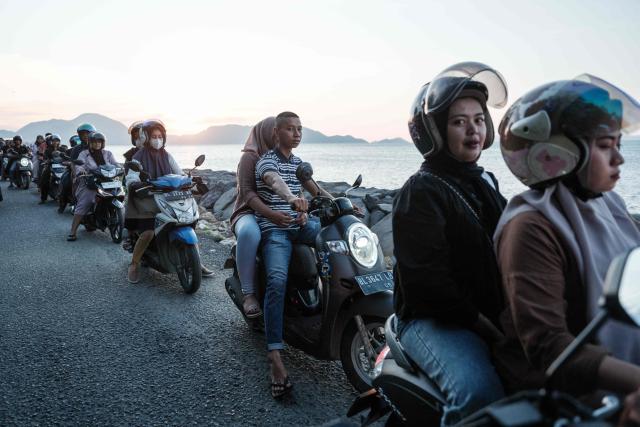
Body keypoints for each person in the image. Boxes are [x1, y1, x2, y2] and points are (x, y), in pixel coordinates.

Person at [493, 75, 640, 397]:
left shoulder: (608, 205)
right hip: (565, 394)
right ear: (555, 154)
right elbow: (548, 345)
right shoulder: (530, 228)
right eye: (604, 146)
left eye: (618, 144)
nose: (619, 158)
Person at [392, 62, 509, 425]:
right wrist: (485, 325)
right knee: (479, 393)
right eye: (459, 122)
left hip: (486, 313)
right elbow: (427, 283)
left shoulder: (484, 180)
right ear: (436, 132)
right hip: (433, 320)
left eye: (478, 119)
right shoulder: (422, 189)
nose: (473, 129)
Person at [254, 111, 327, 398]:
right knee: (276, 280)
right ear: (276, 132)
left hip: (300, 226)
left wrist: (342, 204)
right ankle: (274, 355)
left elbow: (316, 190)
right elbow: (275, 183)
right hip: (276, 230)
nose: (297, 133)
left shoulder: (298, 163)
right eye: (290, 129)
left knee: (333, 239)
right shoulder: (267, 161)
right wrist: (292, 199)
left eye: (300, 129)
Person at [125, 119, 214, 282]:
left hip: (168, 197)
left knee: (186, 221)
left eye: (160, 136)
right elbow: (131, 177)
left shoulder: (167, 155)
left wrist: (190, 179)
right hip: (148, 198)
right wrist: (135, 182)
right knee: (148, 231)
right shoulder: (138, 156)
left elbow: (178, 172)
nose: (157, 139)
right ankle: (134, 264)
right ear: (145, 137)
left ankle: (195, 260)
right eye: (153, 136)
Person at [67, 132, 119, 241]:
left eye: (99, 141)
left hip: (108, 182)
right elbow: (79, 166)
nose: (97, 144)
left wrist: (121, 169)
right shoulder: (84, 154)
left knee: (118, 194)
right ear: (90, 143)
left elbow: (116, 164)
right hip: (89, 182)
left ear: (103, 143)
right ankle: (73, 231)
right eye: (94, 142)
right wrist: (81, 172)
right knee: (85, 202)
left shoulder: (108, 154)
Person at [38, 134, 62, 204]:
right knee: (44, 180)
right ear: (51, 141)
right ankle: (43, 198)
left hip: (62, 166)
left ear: (59, 141)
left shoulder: (62, 149)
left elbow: (66, 156)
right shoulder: (48, 150)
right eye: (54, 141)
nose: (55, 142)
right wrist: (47, 161)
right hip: (51, 166)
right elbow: (45, 158)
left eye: (57, 141)